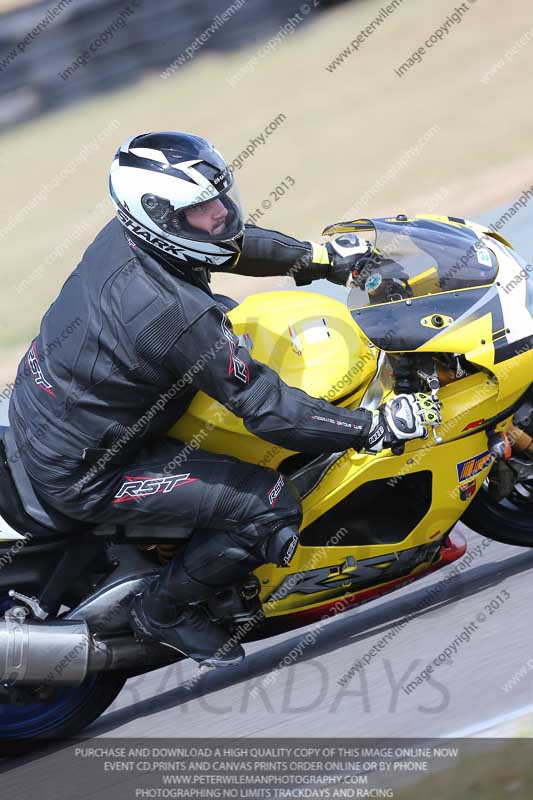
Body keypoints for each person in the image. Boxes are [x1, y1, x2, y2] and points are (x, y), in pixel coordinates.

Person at [8, 131, 440, 668]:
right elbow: (267, 409)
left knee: (229, 320)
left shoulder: (131, 237)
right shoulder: (174, 315)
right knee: (268, 504)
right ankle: (163, 611)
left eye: (217, 194)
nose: (218, 210)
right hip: (88, 471)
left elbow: (228, 245)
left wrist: (317, 258)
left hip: (52, 415)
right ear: (160, 214)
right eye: (199, 207)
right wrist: (371, 427)